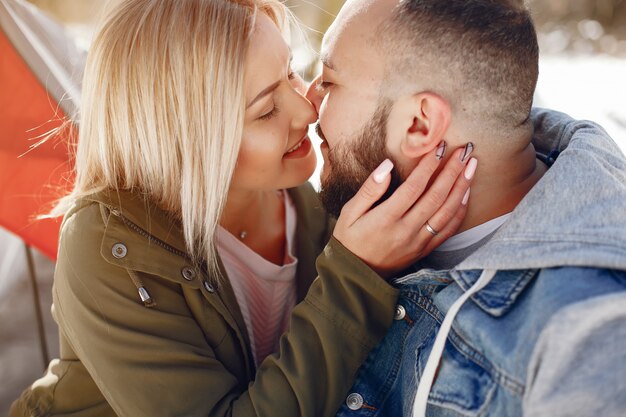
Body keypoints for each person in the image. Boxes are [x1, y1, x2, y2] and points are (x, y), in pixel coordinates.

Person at [9, 0, 476, 416]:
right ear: (186, 144)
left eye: (291, 72)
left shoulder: (307, 202)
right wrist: (357, 273)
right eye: (265, 111)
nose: (307, 110)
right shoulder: (108, 246)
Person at [304, 0, 626, 416]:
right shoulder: (346, 210)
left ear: (420, 125)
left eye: (329, 81)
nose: (309, 102)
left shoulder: (587, 343)